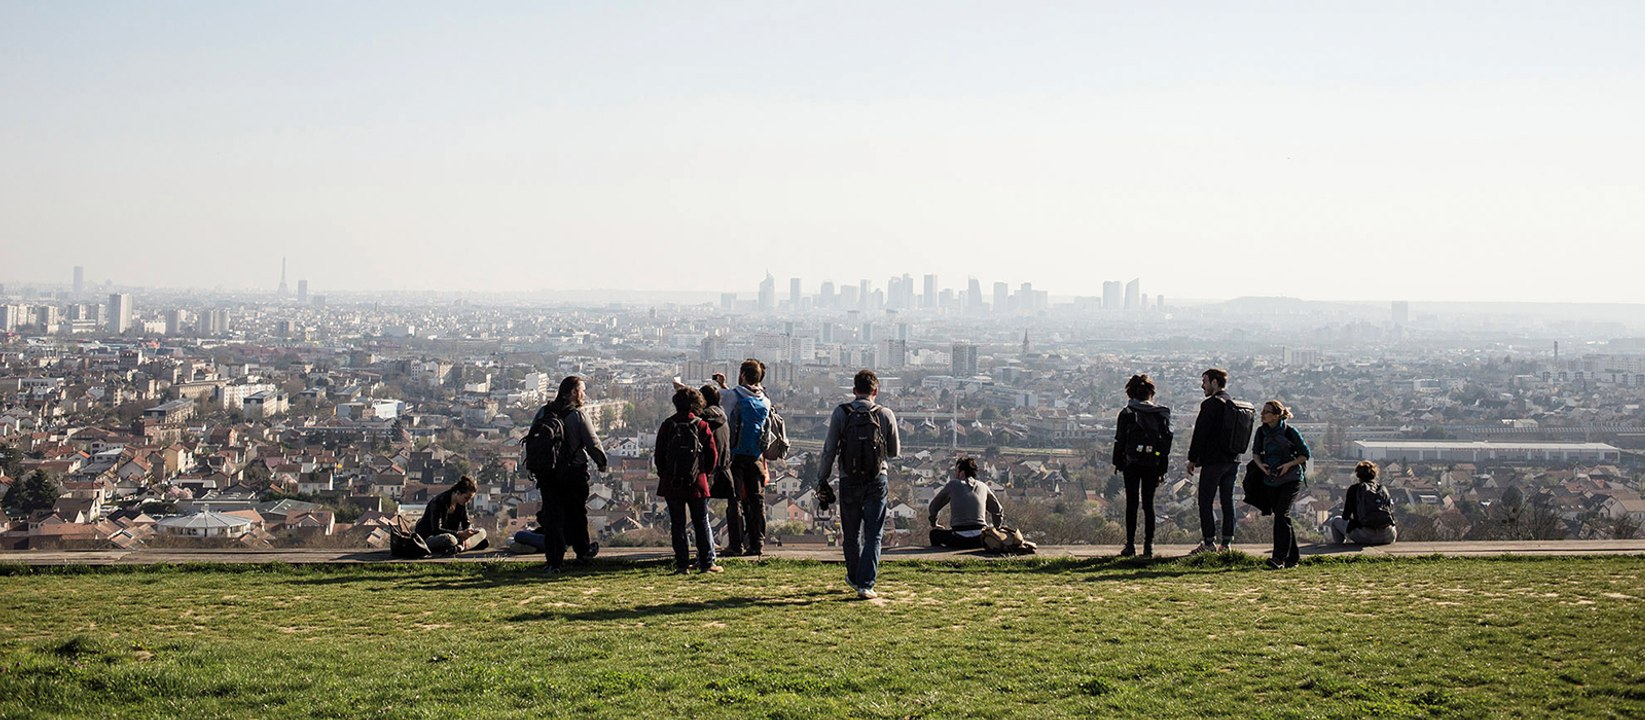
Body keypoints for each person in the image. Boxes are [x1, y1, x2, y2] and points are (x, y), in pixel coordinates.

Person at [818, 369, 900, 599]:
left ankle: (854, 577)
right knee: (873, 533)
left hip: (848, 478)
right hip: (877, 479)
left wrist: (822, 477)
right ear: (876, 390)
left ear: (854, 391)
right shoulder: (885, 414)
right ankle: (866, 583)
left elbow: (829, 449)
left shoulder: (841, 413)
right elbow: (894, 452)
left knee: (851, 531)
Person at [531, 375, 609, 574]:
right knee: (576, 512)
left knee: (553, 518)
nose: (584, 394)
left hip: (548, 475)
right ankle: (582, 551)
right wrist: (602, 463)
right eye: (582, 390)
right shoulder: (578, 415)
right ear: (574, 392)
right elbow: (593, 444)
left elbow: (533, 440)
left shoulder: (543, 412)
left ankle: (554, 561)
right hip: (573, 473)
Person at [655, 386, 723, 574]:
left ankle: (682, 564)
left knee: (677, 524)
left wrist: (666, 474)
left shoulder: (668, 425)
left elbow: (659, 455)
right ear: (697, 404)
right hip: (697, 482)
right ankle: (707, 562)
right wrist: (703, 473)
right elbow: (712, 456)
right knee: (700, 522)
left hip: (672, 482)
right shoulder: (701, 425)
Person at [1112, 374, 1172, 557]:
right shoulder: (1160, 414)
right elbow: (1165, 444)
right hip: (1152, 464)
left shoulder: (1127, 413)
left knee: (1131, 503)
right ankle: (1149, 546)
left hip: (1132, 462)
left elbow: (1120, 439)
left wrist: (1118, 462)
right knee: (1149, 504)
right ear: (1151, 394)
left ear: (1131, 393)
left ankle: (1130, 545)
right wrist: (1162, 468)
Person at [720, 359, 773, 557]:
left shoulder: (733, 395)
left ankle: (736, 544)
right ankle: (757, 543)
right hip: (756, 457)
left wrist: (722, 386)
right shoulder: (765, 400)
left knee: (735, 501)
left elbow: (721, 402)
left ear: (742, 375)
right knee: (756, 500)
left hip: (736, 456)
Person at [1186, 368, 1242, 554]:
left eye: (1205, 381)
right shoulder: (1232, 404)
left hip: (1214, 460)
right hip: (1233, 460)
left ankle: (1208, 543)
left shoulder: (1210, 405)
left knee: (1205, 501)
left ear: (1215, 382)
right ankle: (1226, 543)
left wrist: (1192, 458)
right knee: (1228, 500)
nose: (1202, 385)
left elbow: (1200, 433)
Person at [1253, 400, 1311, 569]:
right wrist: (1260, 465)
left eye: (1266, 412)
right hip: (1271, 479)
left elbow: (1305, 455)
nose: (1262, 414)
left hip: (1291, 478)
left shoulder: (1290, 432)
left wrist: (1288, 465)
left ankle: (1278, 557)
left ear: (1277, 416)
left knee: (1280, 514)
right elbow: (1256, 453)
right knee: (1282, 516)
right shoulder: (1261, 432)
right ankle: (1292, 558)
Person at [927, 457, 1002, 549]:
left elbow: (934, 506)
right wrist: (996, 528)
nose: (954, 474)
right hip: (980, 539)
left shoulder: (953, 485)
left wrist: (934, 524)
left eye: (956, 471)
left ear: (962, 473)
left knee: (934, 534)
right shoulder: (983, 487)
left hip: (958, 538)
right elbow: (998, 510)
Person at [1327, 461, 1398, 546]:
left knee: (1334, 521)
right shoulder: (1382, 489)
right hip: (1388, 535)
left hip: (1365, 536)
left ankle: (1339, 547)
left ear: (1358, 474)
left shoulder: (1354, 489)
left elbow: (1345, 516)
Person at [415, 475, 489, 555]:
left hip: (455, 535)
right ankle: (463, 546)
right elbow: (436, 529)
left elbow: (466, 522)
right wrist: (459, 534)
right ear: (458, 493)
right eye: (466, 498)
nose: (467, 501)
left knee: (482, 532)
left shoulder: (461, 504)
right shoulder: (438, 502)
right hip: (431, 536)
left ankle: (459, 548)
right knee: (450, 540)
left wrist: (468, 533)